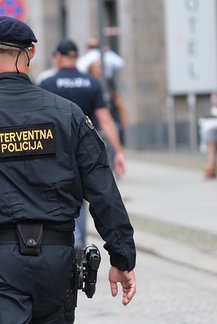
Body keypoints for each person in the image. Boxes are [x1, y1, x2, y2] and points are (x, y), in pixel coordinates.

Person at [0, 16, 136, 323]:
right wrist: (122, 256)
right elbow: (103, 189)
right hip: (57, 261)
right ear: (30, 54)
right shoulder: (68, 115)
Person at [39, 38, 127, 254]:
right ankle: (79, 243)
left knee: (58, 192)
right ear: (76, 57)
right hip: (86, 143)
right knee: (85, 195)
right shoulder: (91, 82)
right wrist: (118, 151)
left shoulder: (48, 84)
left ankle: (65, 240)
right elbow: (105, 119)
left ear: (58, 57)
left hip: (55, 144)